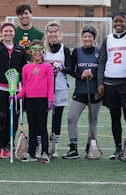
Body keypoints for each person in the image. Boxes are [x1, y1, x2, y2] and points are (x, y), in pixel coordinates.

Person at [97, 10, 126, 160]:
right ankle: (118, 148)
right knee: (114, 116)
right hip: (110, 83)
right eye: (115, 21)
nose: (118, 24)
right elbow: (102, 61)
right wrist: (100, 82)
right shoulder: (107, 39)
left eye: (121, 21)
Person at [0, 22, 27, 159]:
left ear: (14, 33)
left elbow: (23, 70)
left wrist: (18, 80)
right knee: (0, 118)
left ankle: (7, 145)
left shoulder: (20, 49)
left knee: (12, 119)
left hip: (14, 90)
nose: (8, 34)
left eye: (11, 31)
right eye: (5, 31)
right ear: (2, 33)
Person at [63, 26, 103, 159]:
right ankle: (73, 148)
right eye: (85, 36)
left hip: (95, 92)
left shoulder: (99, 51)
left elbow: (103, 70)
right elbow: (71, 70)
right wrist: (81, 75)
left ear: (94, 38)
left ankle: (90, 147)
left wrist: (94, 75)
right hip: (80, 91)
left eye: (90, 36)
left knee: (93, 119)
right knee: (71, 118)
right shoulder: (77, 52)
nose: (87, 39)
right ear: (82, 37)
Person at [15, 39, 54, 163]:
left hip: (42, 100)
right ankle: (31, 153)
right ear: (30, 52)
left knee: (42, 127)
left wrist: (50, 99)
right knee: (32, 127)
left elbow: (50, 84)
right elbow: (25, 86)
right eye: (34, 50)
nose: (37, 52)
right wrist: (18, 96)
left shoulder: (47, 66)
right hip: (30, 100)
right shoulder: (26, 67)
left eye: (40, 50)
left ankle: (44, 152)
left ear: (43, 51)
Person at [42, 20, 71, 158]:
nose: (53, 34)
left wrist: (61, 68)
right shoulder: (42, 48)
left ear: (59, 33)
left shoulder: (64, 49)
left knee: (57, 117)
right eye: (50, 32)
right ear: (47, 33)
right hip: (43, 88)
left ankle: (54, 147)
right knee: (42, 117)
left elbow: (70, 68)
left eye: (55, 32)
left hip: (59, 87)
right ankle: (42, 146)